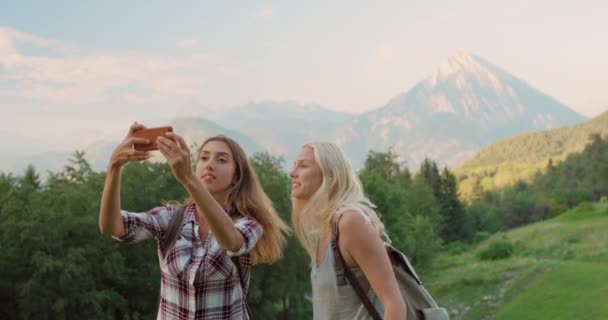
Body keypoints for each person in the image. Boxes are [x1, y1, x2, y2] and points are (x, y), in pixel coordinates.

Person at [99, 122, 289, 320]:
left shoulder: (248, 223)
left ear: (236, 177)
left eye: (222, 160)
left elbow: (232, 243)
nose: (209, 164)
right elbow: (111, 226)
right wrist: (114, 166)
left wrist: (188, 177)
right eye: (204, 157)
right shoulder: (171, 219)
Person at [290, 142, 407, 320]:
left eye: (303, 166)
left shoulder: (350, 223)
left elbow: (394, 303)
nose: (292, 173)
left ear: (329, 174)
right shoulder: (324, 230)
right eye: (294, 166)